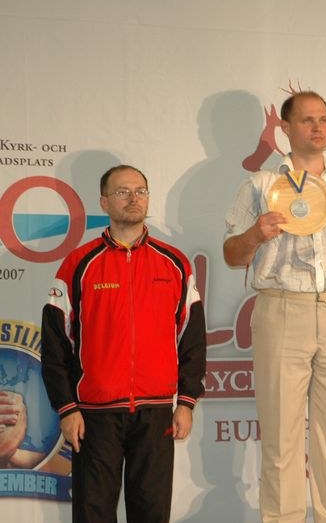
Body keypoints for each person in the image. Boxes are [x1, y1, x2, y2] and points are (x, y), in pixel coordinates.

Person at [223, 91, 326, 522]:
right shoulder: (261, 185)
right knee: (281, 437)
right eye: (306, 120)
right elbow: (231, 254)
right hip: (282, 310)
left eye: (323, 119)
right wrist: (256, 236)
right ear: (285, 129)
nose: (317, 127)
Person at [41, 164, 207, 523]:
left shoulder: (175, 263)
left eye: (141, 191)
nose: (134, 199)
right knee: (93, 513)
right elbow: (55, 345)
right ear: (104, 201)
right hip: (94, 414)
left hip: (156, 412)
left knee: (151, 512)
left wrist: (188, 401)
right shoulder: (77, 264)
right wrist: (67, 408)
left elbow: (192, 338)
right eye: (122, 192)